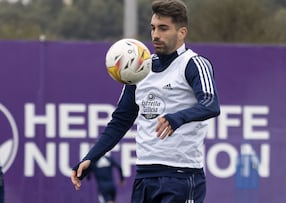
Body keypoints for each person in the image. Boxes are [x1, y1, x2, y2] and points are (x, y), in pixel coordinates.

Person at [71, 0, 220, 202]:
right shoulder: (140, 69)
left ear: (182, 32)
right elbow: (120, 121)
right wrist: (92, 157)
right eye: (153, 28)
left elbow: (210, 104)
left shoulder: (193, 64)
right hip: (145, 177)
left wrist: (178, 118)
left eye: (163, 28)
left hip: (182, 176)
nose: (156, 35)